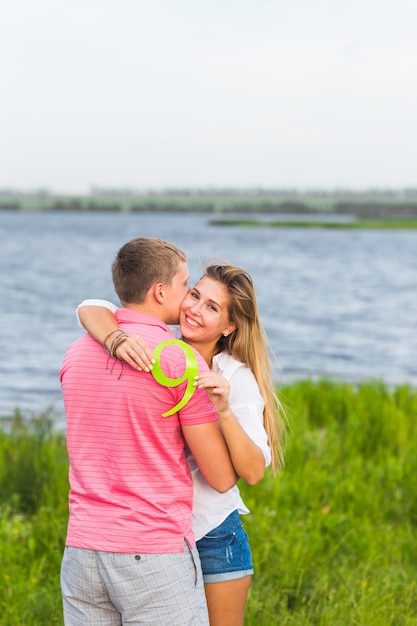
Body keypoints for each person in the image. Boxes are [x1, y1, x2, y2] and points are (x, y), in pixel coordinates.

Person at [77, 261, 286, 626]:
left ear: (229, 326)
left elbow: (253, 471)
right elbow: (90, 307)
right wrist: (117, 339)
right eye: (194, 295)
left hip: (212, 537)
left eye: (212, 307)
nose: (194, 309)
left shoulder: (235, 376)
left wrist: (223, 409)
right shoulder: (161, 351)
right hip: (157, 538)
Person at [60, 238, 237, 626]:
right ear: (160, 291)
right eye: (185, 285)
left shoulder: (75, 353)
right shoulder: (181, 360)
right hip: (152, 552)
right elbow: (222, 477)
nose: (190, 298)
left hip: (83, 550)